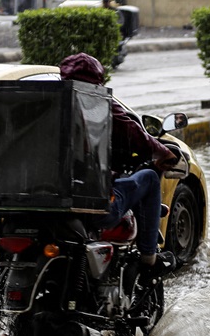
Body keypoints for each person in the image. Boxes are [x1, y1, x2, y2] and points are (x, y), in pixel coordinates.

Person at [59, 53, 180, 278]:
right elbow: (133, 133)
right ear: (98, 82)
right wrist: (163, 153)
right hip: (88, 203)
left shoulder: (46, 103)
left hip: (37, 204)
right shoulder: (95, 100)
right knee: (150, 179)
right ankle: (149, 259)